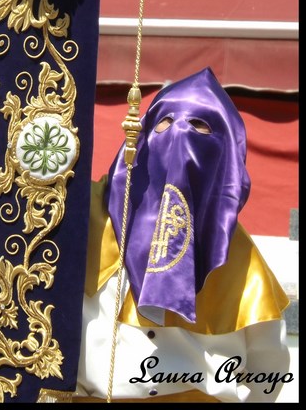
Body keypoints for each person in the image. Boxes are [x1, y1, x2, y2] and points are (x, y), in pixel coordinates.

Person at [75, 67, 291, 403]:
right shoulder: (86, 215)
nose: (179, 134)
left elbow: (268, 374)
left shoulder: (241, 260)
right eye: (165, 121)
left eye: (199, 125)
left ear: (225, 155)